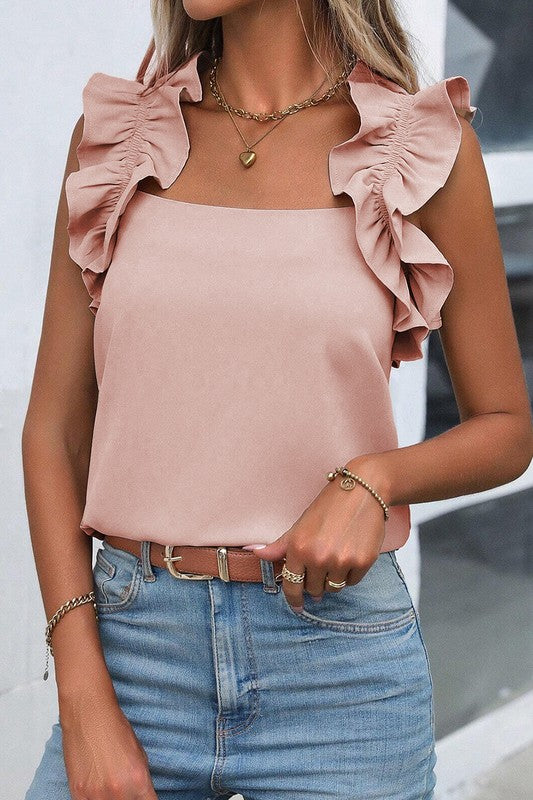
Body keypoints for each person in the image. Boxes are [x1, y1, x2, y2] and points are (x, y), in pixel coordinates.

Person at [22, 1, 533, 798]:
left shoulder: (416, 147)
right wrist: (82, 692)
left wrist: (374, 480)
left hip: (339, 677)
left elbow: (505, 430)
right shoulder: (121, 140)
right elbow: (55, 429)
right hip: (132, 656)